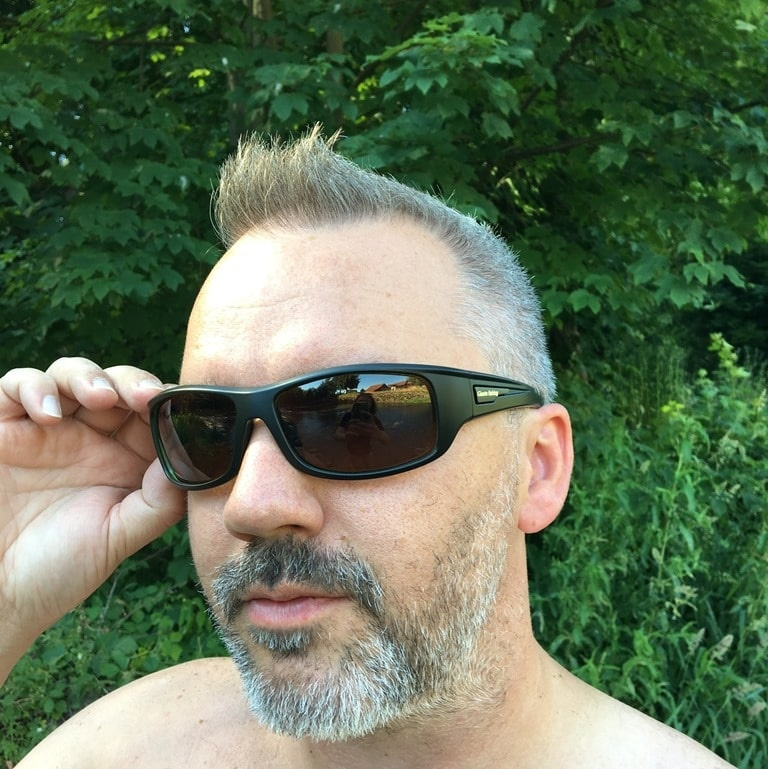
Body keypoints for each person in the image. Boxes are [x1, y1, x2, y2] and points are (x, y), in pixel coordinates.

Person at [0, 126, 734, 768]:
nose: (252, 505)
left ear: (536, 468)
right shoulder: (128, 746)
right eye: (208, 427)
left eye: (355, 420)